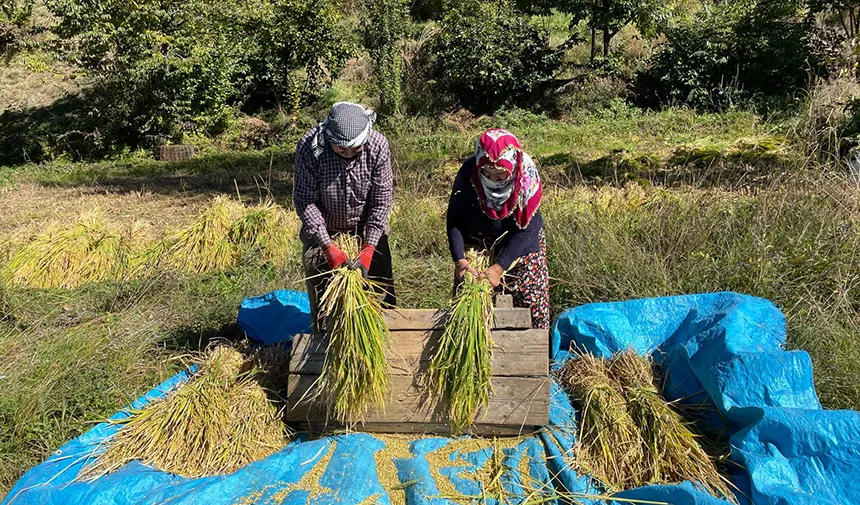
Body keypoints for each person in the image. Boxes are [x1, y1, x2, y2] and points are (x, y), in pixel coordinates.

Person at [293, 102, 395, 330]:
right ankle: (325, 337)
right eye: (341, 149)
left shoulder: (377, 145)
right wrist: (327, 245)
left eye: (355, 149)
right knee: (322, 290)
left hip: (366, 227)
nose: (348, 154)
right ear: (329, 138)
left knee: (379, 286)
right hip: (325, 228)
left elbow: (381, 200)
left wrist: (368, 248)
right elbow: (305, 200)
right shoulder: (310, 147)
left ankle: (383, 331)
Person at [446, 128, 549, 329]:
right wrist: (460, 260)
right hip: (478, 243)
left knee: (531, 299)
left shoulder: (525, 175)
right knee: (466, 300)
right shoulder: (469, 173)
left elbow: (527, 230)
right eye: (487, 173)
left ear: (511, 169)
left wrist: (500, 267)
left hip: (520, 245)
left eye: (500, 175)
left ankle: (534, 352)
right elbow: (455, 220)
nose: (493, 180)